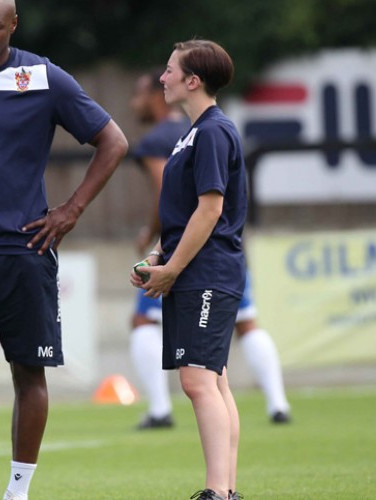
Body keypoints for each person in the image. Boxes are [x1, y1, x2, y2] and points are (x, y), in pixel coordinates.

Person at [0, 1, 128, 499]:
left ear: (13, 25)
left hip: (23, 251)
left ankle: (17, 492)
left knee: (29, 374)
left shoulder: (43, 78)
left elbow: (113, 141)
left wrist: (71, 209)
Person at [127, 70, 291, 430]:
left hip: (200, 260)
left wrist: (157, 247)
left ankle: (159, 410)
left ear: (191, 81)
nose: (135, 100)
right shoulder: (191, 130)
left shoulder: (181, 135)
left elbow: (176, 202)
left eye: (141, 92)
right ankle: (277, 403)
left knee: (150, 330)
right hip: (224, 252)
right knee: (240, 335)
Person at [130, 40, 246, 500]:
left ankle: (217, 492)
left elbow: (211, 209)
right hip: (195, 271)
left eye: (169, 70)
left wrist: (174, 268)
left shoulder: (214, 131)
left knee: (198, 379)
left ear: (192, 80)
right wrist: (159, 255)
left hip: (208, 273)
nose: (163, 78)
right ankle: (227, 490)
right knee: (213, 378)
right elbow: (182, 212)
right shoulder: (191, 133)